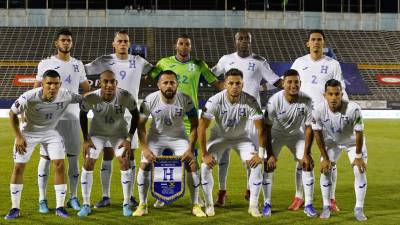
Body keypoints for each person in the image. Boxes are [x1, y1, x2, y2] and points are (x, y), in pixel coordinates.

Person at [149, 34, 223, 207]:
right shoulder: (163, 63)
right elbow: (150, 78)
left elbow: (216, 83)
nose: (183, 47)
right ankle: (162, 195)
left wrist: (231, 88)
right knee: (165, 158)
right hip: (168, 117)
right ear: (176, 46)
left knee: (191, 159)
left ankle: (196, 197)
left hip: (190, 118)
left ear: (190, 47)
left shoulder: (198, 65)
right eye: (181, 44)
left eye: (187, 44)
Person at [211, 30, 282, 206]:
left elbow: (275, 81)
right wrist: (220, 85)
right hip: (227, 114)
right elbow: (210, 74)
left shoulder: (259, 61)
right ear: (235, 41)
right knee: (223, 157)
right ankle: (222, 191)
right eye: (240, 39)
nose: (244, 42)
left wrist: (291, 85)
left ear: (251, 42)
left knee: (252, 157)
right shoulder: (226, 59)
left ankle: (250, 189)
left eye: (247, 39)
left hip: (251, 117)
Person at [85, 30, 153, 208]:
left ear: (129, 44)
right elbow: (84, 69)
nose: (123, 44)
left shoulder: (138, 61)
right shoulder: (105, 60)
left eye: (125, 41)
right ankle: (106, 196)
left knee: (129, 155)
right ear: (113, 44)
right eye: (119, 41)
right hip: (108, 114)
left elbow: (154, 72)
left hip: (131, 115)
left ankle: (129, 197)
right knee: (107, 154)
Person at [5, 70, 82, 220]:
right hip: (28, 132)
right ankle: (15, 208)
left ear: (60, 84)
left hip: (50, 132)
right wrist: (19, 136)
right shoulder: (29, 97)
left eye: (56, 84)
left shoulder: (66, 94)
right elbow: (12, 113)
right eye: (49, 84)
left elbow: (83, 99)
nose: (53, 87)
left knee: (59, 164)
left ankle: (60, 207)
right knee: (19, 166)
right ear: (42, 84)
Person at [289, 29, 348, 211]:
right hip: (303, 117)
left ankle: (331, 199)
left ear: (324, 43)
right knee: (302, 158)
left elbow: (341, 90)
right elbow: (291, 87)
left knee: (329, 160)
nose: (316, 42)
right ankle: (299, 196)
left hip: (326, 117)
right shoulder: (299, 62)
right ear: (308, 43)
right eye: (313, 40)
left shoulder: (333, 64)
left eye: (319, 40)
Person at [133, 70, 206, 217]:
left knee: (191, 163)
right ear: (159, 85)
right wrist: (145, 149)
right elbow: (140, 126)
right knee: (144, 164)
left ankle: (195, 205)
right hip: (157, 137)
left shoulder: (186, 99)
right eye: (165, 82)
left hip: (178, 137)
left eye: (172, 82)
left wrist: (191, 148)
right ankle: (143, 204)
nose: (169, 86)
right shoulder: (149, 100)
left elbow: (194, 125)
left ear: (177, 84)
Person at [34, 28, 90, 213]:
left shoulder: (78, 64)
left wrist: (86, 100)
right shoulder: (45, 63)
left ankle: (72, 197)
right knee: (46, 158)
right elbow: (35, 92)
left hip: (73, 118)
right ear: (56, 43)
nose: (66, 43)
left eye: (69, 40)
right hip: (50, 120)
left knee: (73, 159)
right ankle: (42, 199)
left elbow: (85, 89)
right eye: (63, 40)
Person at [198, 68, 265, 217]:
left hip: (242, 138)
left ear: (243, 84)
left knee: (256, 164)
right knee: (204, 166)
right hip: (219, 137)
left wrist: (261, 154)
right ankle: (209, 205)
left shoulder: (250, 101)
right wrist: (204, 154)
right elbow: (202, 128)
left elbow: (261, 129)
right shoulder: (214, 101)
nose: (234, 86)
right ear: (225, 84)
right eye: (231, 83)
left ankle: (253, 205)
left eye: (238, 83)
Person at [77, 70, 139, 217]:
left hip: (118, 134)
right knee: (88, 162)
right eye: (106, 81)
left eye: (113, 82)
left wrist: (129, 138)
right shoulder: (91, 97)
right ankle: (85, 204)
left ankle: (126, 203)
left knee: (124, 162)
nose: (109, 85)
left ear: (116, 83)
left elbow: (135, 114)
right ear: (100, 83)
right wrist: (86, 139)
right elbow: (82, 114)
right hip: (97, 134)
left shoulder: (125, 96)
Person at [262, 69, 316, 218]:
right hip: (276, 134)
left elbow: (309, 127)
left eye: (296, 82)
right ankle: (267, 203)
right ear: (283, 84)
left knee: (307, 164)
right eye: (289, 82)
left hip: (295, 135)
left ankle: (309, 204)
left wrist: (307, 153)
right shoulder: (274, 101)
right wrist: (270, 154)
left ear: (300, 83)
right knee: (268, 165)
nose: (293, 85)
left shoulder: (307, 100)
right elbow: (266, 128)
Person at [312, 79, 367, 221]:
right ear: (324, 95)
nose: (334, 97)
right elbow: (317, 134)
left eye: (337, 94)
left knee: (358, 170)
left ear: (342, 94)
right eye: (330, 94)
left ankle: (359, 208)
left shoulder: (353, 109)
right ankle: (326, 206)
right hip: (332, 142)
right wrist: (324, 158)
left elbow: (359, 133)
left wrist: (359, 156)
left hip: (352, 142)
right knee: (325, 170)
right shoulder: (318, 110)